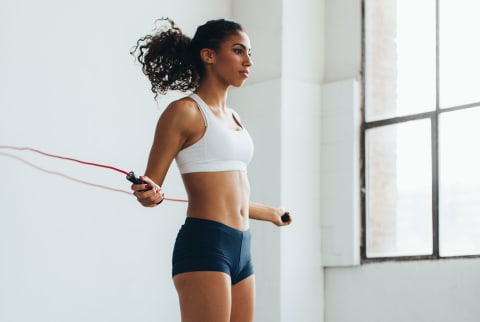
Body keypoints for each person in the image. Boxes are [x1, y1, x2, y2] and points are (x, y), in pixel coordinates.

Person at [130, 17, 292, 322]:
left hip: (242, 245)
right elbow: (151, 188)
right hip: (206, 243)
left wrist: (270, 213)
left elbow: (228, 194)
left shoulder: (235, 118)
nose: (249, 61)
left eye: (249, 53)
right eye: (238, 51)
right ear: (209, 55)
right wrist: (148, 194)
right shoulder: (185, 112)